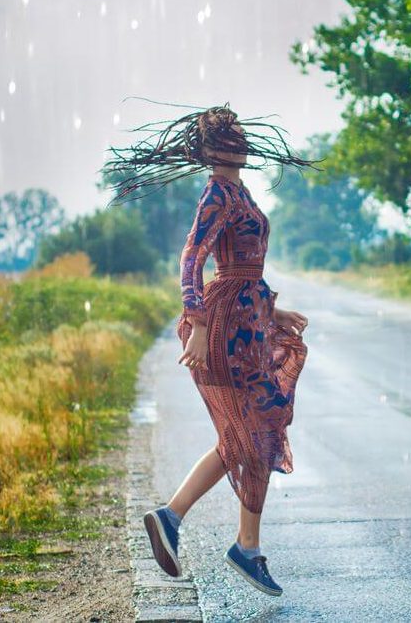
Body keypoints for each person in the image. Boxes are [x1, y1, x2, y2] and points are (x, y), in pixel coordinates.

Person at [102, 102, 320, 596]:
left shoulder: (238, 190)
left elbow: (243, 270)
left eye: (242, 134)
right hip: (224, 328)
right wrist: (198, 323)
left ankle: (179, 520)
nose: (243, 143)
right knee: (254, 429)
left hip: (247, 321)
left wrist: (272, 310)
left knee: (250, 432)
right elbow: (191, 259)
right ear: (214, 150)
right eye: (233, 137)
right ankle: (240, 547)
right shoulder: (217, 194)